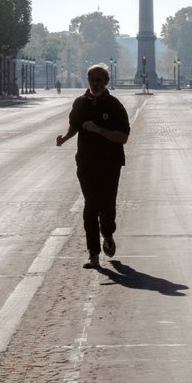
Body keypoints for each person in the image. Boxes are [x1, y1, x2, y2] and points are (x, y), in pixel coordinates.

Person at [56, 64, 130, 269]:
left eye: (99, 80)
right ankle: (93, 254)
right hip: (86, 163)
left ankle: (107, 232)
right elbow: (74, 126)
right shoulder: (80, 103)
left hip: (110, 163)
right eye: (92, 80)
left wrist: (99, 130)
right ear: (88, 81)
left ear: (106, 81)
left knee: (107, 207)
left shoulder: (115, 106)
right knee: (90, 207)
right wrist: (64, 138)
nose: (95, 84)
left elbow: (123, 137)